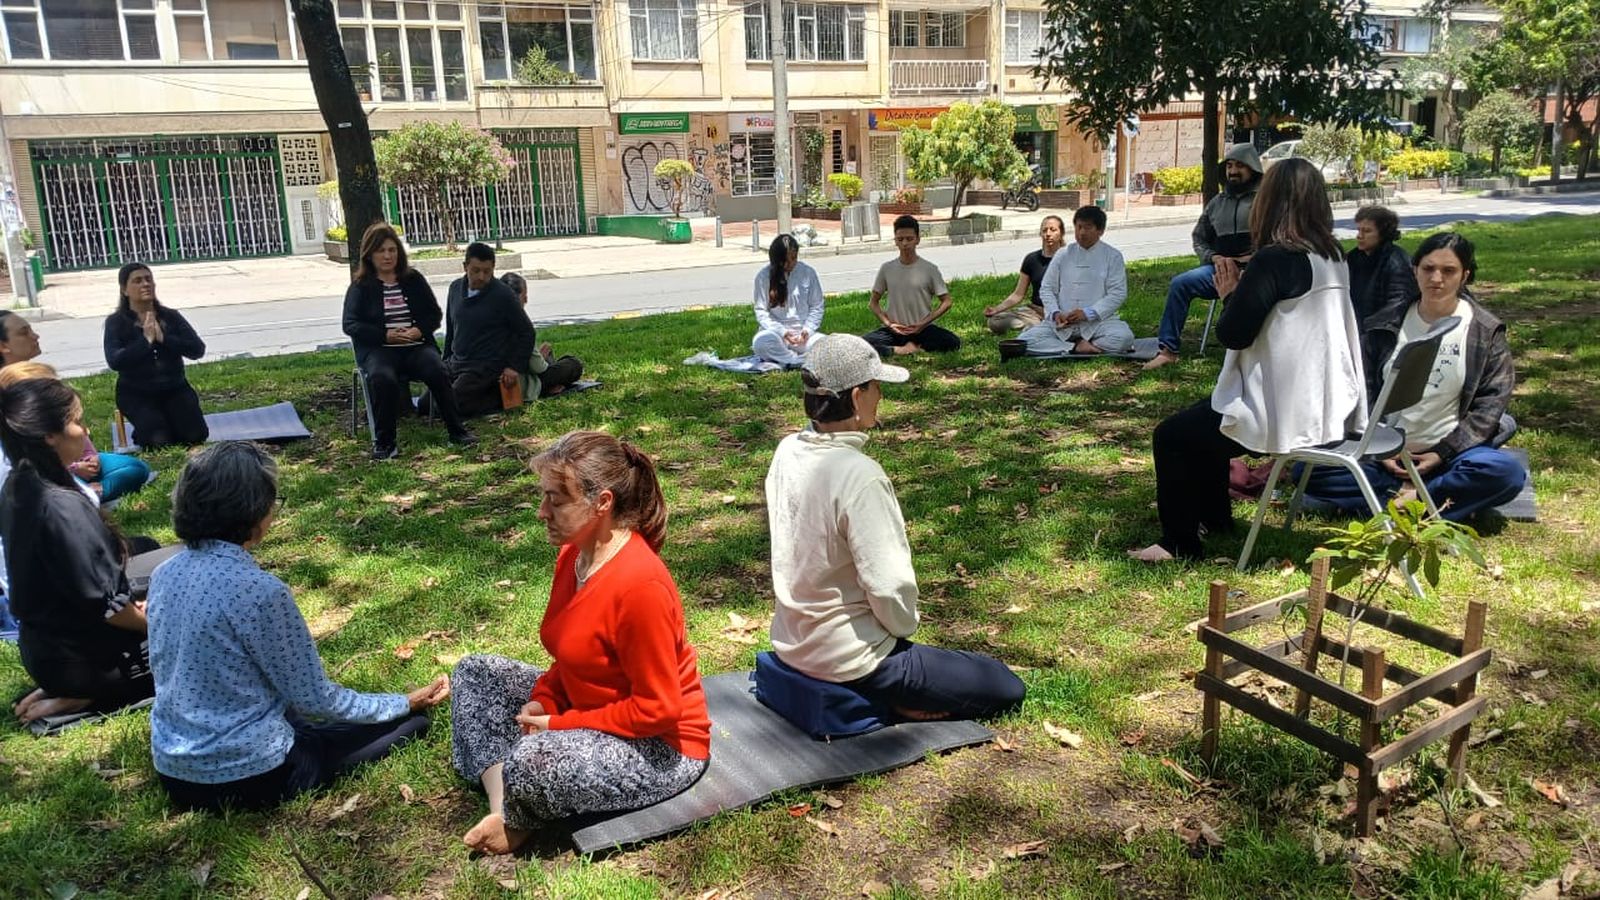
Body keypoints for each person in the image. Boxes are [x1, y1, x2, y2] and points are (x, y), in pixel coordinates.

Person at [147, 441, 448, 811]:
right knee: (410, 726)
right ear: (253, 510)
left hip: (174, 768)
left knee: (296, 719)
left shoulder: (164, 573)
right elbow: (318, 699)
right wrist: (402, 702)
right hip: (249, 775)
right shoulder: (260, 592)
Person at [449, 431, 710, 855]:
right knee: (475, 672)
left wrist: (557, 724)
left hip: (662, 748)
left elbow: (658, 710)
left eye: (556, 500)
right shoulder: (574, 555)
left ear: (602, 502)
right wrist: (544, 699)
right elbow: (572, 656)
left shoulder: (641, 586)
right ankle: (507, 812)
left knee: (533, 759)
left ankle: (516, 815)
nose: (542, 512)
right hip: (591, 707)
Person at [765, 334, 1026, 719]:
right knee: (1003, 684)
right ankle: (897, 704)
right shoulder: (859, 475)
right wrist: (902, 628)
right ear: (856, 397)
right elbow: (889, 587)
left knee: (960, 666)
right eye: (875, 387)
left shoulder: (787, 450)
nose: (880, 397)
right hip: (854, 658)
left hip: (792, 642)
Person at [1131, 158, 1366, 562]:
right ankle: (1216, 519)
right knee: (1202, 424)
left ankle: (1178, 544)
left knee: (1171, 437)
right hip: (1325, 401)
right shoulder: (1332, 254)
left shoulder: (1276, 258)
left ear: (1269, 202)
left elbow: (1234, 333)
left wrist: (1228, 292)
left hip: (1279, 409)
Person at [1301, 233, 1525, 522]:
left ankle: (1411, 498)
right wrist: (1381, 450)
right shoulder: (1384, 324)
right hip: (1384, 455)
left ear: (1465, 276)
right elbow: (1361, 393)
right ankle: (1424, 500)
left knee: (1505, 474)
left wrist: (1441, 453)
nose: (1436, 278)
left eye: (1448, 271)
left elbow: (1491, 405)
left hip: (1450, 456)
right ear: (1414, 270)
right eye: (1428, 268)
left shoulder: (1485, 330)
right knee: (1308, 470)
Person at [2, 377, 154, 724]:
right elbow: (110, 609)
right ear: (49, 435)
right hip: (85, 660)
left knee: (161, 559)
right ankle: (82, 694)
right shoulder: (62, 507)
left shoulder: (20, 483)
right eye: (75, 421)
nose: (84, 429)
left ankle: (58, 688)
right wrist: (156, 624)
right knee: (199, 636)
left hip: (44, 647)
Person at [341, 222, 475, 460]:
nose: (387, 256)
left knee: (438, 369)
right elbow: (350, 324)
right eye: (381, 251)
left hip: (416, 347)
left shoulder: (413, 279)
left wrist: (418, 331)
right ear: (370, 255)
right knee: (383, 378)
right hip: (379, 350)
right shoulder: (361, 286)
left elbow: (434, 314)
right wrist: (384, 335)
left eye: (392, 250)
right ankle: (385, 443)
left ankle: (458, 431)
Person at [0, 323, 152, 503]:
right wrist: (74, 468)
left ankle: (94, 491)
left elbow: (81, 438)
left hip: (80, 462)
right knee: (66, 487)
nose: (35, 336)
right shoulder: (24, 438)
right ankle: (87, 493)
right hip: (64, 472)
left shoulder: (62, 413)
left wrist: (92, 458)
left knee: (135, 467)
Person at [1143, 144, 1264, 370]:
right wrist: (1214, 257)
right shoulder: (1216, 204)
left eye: (1240, 166)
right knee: (1180, 284)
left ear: (1253, 169)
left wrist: (1256, 258)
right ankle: (1167, 351)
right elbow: (1199, 238)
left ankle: (1259, 352)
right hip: (1219, 271)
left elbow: (1279, 237)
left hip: (1258, 272)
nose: (1233, 171)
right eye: (1229, 166)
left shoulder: (1267, 201)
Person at [102, 263, 209, 447]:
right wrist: (145, 341)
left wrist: (163, 338)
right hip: (136, 393)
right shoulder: (116, 322)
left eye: (148, 279)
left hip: (175, 389)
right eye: (137, 281)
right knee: (159, 441)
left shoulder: (170, 316)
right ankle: (148, 428)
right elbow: (115, 361)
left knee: (195, 435)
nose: (145, 284)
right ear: (124, 290)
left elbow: (197, 349)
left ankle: (168, 420)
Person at [1014, 206, 1134, 356]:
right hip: (1063, 323)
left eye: (1088, 227)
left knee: (1124, 338)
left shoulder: (1112, 256)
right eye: (1079, 227)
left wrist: (1088, 313)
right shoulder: (1062, 254)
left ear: (1100, 230)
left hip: (1097, 322)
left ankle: (1085, 345)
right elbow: (1047, 288)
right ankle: (1075, 347)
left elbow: (1117, 293)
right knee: (1024, 341)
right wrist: (1055, 313)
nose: (1082, 232)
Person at [441, 242, 535, 416]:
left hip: (485, 366)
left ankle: (495, 397)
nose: (482, 277)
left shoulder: (503, 295)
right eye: (476, 271)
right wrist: (444, 360)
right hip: (456, 362)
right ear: (465, 267)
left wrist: (514, 367)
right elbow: (451, 328)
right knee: (427, 404)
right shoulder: (455, 289)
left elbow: (526, 332)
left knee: (451, 404)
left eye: (487, 271)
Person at [862, 216, 959, 357]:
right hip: (894, 330)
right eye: (900, 239)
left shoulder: (930, 269)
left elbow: (947, 301)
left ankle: (914, 346)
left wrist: (923, 323)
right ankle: (897, 350)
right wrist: (889, 324)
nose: (905, 243)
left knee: (953, 342)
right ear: (895, 241)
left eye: (909, 239)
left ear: (917, 239)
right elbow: (873, 303)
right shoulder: (887, 268)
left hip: (923, 329)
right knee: (861, 345)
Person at [1347, 205, 1420, 379]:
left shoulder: (1396, 260)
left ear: (1382, 233)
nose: (1359, 236)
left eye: (1367, 231)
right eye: (1358, 230)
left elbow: (1399, 301)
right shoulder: (1353, 258)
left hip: (1383, 336)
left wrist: (1369, 329)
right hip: (1357, 330)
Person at [500, 271, 585, 399]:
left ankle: (553, 382)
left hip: (502, 383)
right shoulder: (521, 325)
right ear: (516, 298)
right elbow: (538, 368)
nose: (526, 300)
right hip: (523, 386)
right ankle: (551, 385)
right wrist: (541, 357)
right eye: (524, 296)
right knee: (573, 364)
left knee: (548, 354)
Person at [752, 234, 826, 367]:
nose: (790, 264)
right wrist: (782, 332)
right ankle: (795, 360)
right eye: (785, 261)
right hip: (776, 335)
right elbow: (761, 311)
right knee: (760, 343)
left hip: (803, 335)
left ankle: (791, 360)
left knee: (825, 345)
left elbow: (817, 306)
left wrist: (808, 329)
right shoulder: (763, 277)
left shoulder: (808, 273)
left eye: (794, 258)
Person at [983, 217, 1063, 335]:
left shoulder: (1067, 258)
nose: (1048, 234)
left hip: (1059, 313)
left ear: (1061, 233)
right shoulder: (1031, 259)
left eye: (1053, 230)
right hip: (1034, 312)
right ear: (1040, 233)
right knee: (995, 321)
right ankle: (1033, 326)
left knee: (1038, 329)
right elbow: (1018, 294)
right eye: (1045, 230)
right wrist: (997, 309)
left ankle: (1037, 328)